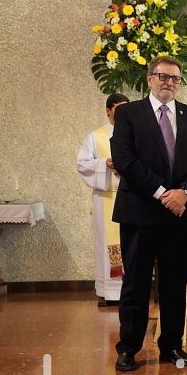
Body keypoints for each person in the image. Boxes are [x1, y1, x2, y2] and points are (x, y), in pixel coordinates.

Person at [110, 56, 187, 372]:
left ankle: (172, 345)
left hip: (178, 213)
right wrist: (161, 193)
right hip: (139, 211)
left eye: (175, 78)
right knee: (136, 283)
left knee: (174, 283)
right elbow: (124, 159)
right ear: (150, 78)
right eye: (162, 76)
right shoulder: (129, 114)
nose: (169, 82)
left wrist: (184, 192)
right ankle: (129, 348)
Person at [77, 92, 129, 306]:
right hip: (106, 197)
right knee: (106, 244)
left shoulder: (136, 133)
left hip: (131, 197)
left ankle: (130, 290)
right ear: (108, 111)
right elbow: (82, 164)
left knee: (131, 244)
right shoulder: (95, 136)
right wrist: (104, 164)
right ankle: (109, 291)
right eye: (118, 109)